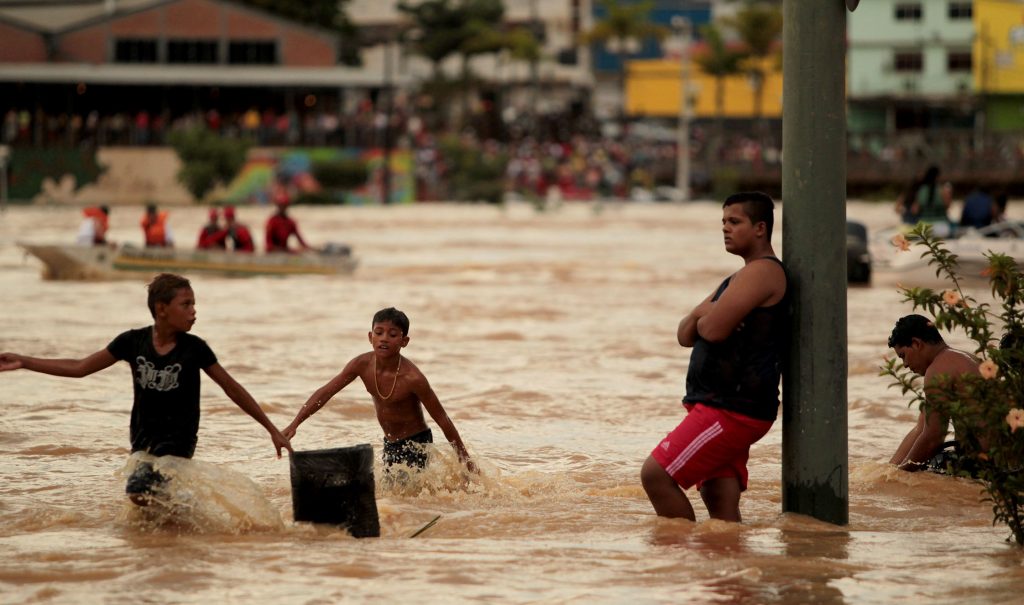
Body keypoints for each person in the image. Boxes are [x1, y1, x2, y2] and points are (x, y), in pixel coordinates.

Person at [0, 273, 292, 505]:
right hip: (142, 439)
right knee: (150, 502)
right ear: (161, 309)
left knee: (139, 491)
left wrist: (271, 429)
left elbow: (233, 389)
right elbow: (80, 367)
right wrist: (25, 361)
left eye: (194, 304)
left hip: (178, 440)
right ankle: (187, 524)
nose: (194, 312)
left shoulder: (194, 349)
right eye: (186, 304)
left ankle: (183, 522)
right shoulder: (132, 342)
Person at [640, 191, 788, 522]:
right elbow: (684, 333)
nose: (725, 228)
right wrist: (702, 314)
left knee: (655, 475)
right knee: (718, 496)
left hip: (731, 409)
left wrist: (704, 315)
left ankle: (677, 560)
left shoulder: (762, 272)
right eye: (723, 222)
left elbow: (712, 330)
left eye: (735, 222)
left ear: (760, 228)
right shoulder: (740, 277)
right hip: (722, 405)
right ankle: (724, 567)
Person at [283, 307, 475, 475]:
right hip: (390, 443)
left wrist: (464, 460)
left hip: (416, 443)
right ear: (370, 337)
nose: (384, 339)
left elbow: (442, 419)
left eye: (392, 335)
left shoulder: (413, 378)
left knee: (404, 498)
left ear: (404, 341)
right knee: (394, 495)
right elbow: (325, 392)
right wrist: (295, 424)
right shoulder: (361, 364)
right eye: (379, 332)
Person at [887, 314, 982, 473]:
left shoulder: (939, 369)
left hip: (985, 465)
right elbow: (921, 428)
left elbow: (933, 438)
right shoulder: (962, 359)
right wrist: (890, 472)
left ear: (916, 344)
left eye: (903, 355)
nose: (904, 364)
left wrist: (901, 475)